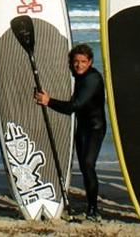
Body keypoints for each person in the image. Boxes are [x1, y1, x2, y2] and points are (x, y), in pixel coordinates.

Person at [35, 44, 106, 221]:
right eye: (76, 62)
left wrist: (48, 101)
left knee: (88, 165)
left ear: (90, 62)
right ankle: (90, 204)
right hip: (82, 127)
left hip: (95, 128)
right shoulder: (78, 75)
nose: (79, 65)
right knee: (84, 167)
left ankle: (93, 210)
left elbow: (73, 107)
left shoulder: (92, 79)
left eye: (83, 62)